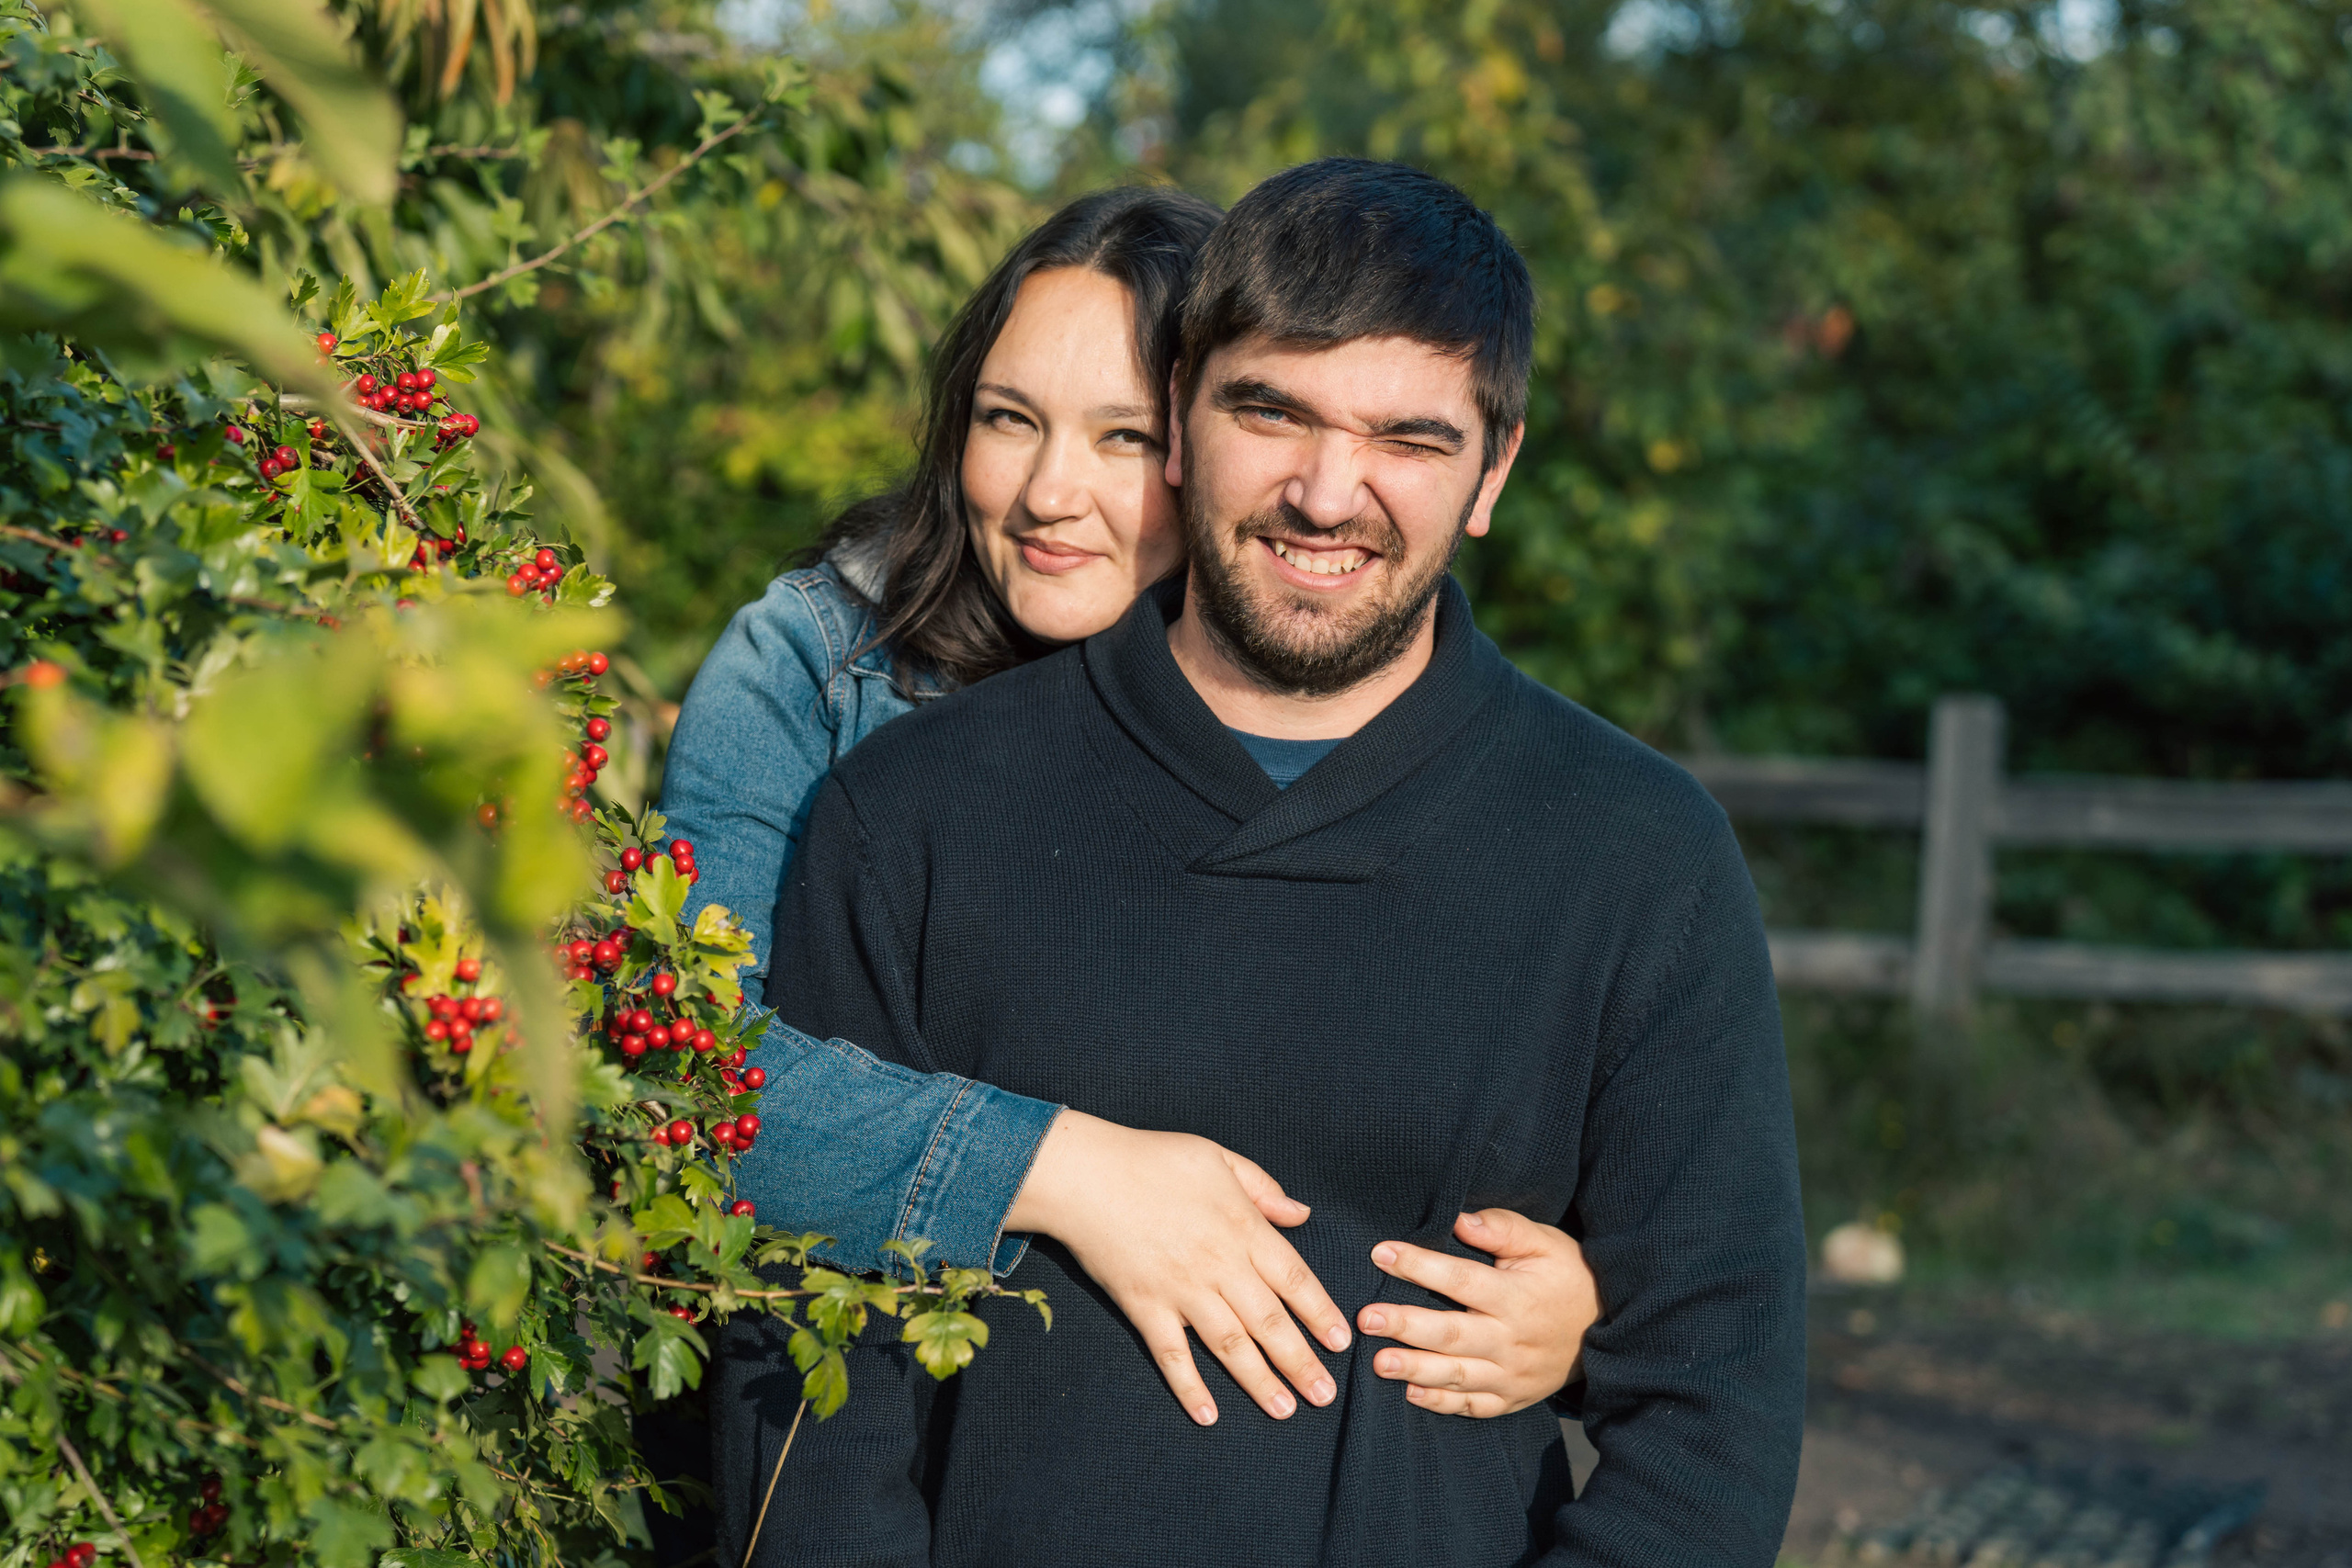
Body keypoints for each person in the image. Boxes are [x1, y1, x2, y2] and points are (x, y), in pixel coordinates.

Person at [723, 160, 1807, 1567]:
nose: (1326, 491)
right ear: (1183, 422)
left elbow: (1715, 1411)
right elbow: (810, 1370)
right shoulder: (915, 814)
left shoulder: (1634, 854)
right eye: (1273, 410)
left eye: (1410, 439)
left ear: (1495, 470)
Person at [660, 188, 1600, 1429]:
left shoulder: (1322, 703)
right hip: (843, 1408)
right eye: (1010, 419)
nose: (1053, 492)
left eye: (1116, 437)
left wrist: (1578, 1308)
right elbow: (684, 1086)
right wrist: (1057, 1166)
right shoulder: (813, 670)